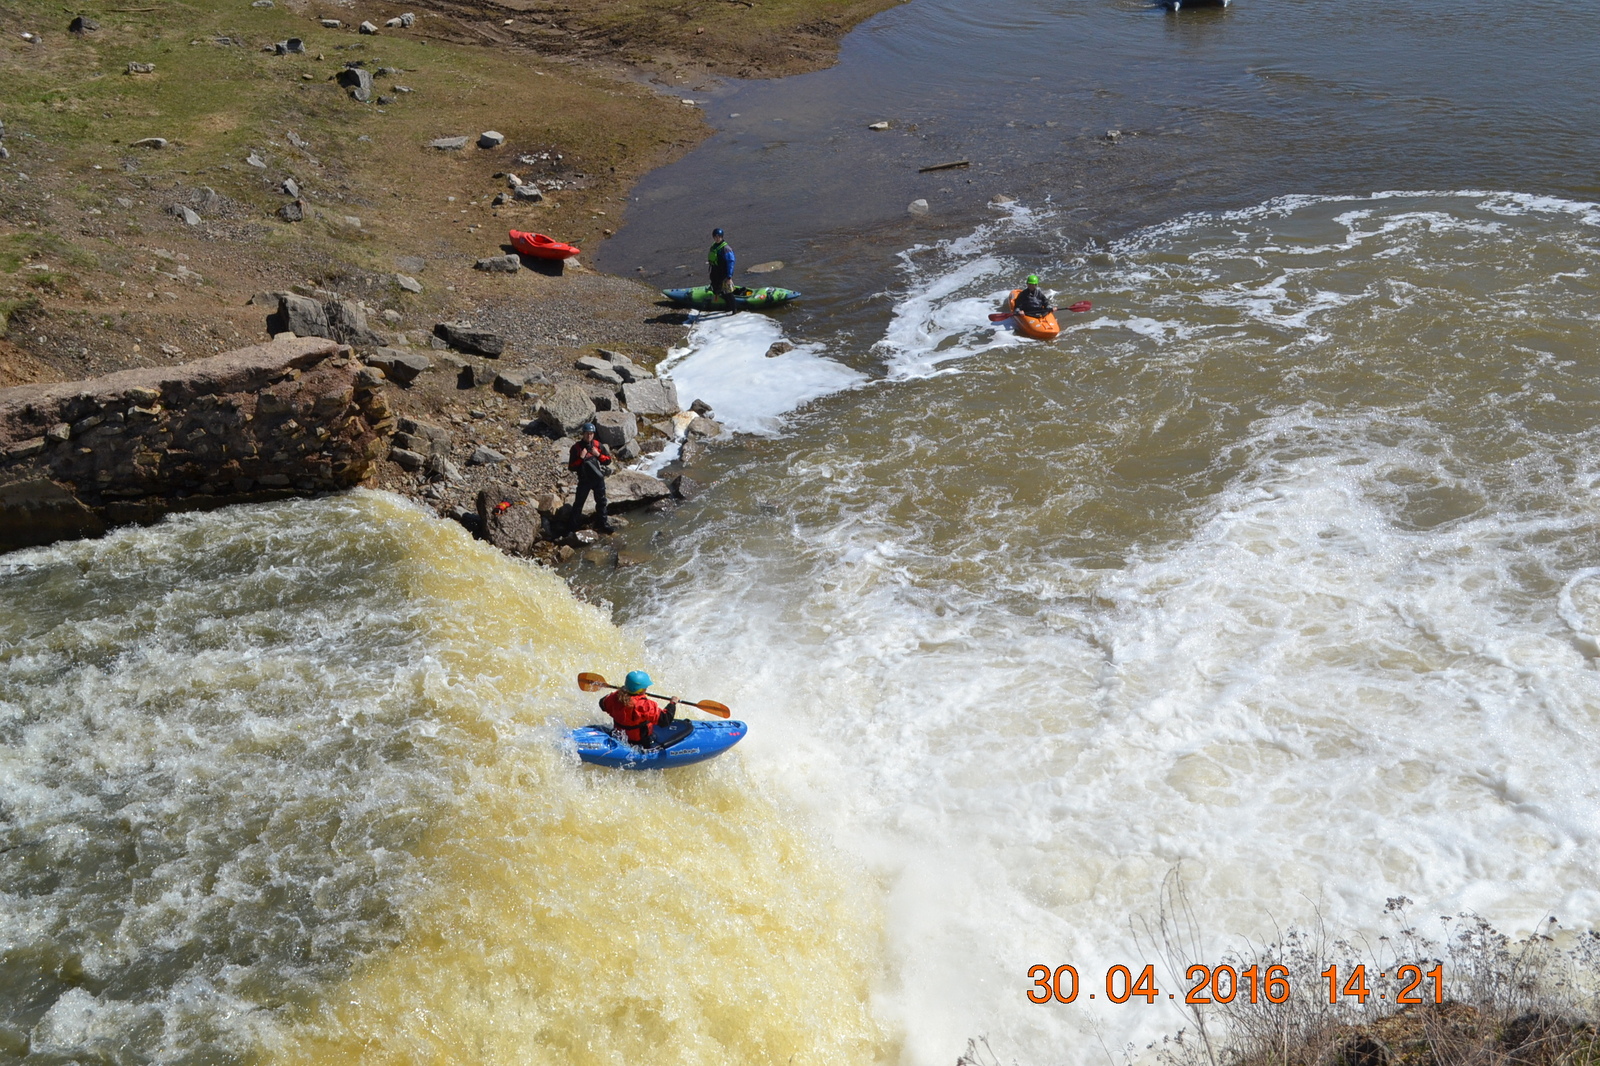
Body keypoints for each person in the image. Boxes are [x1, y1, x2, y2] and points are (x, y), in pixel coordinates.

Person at [600, 670, 679, 748]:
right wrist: (672, 703)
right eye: (645, 688)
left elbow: (602, 703)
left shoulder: (615, 697)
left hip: (619, 737)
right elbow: (665, 719)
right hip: (640, 743)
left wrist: (622, 691)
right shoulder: (644, 706)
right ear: (640, 690)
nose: (646, 689)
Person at [567, 422, 615, 534]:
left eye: (591, 434)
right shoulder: (576, 448)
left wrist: (598, 455)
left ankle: (603, 524)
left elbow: (608, 460)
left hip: (598, 479)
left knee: (602, 502)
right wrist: (581, 457)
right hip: (584, 481)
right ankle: (572, 528)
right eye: (587, 434)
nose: (589, 436)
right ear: (583, 434)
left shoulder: (598, 445)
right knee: (578, 504)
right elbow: (572, 467)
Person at [707, 227, 737, 310]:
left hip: (724, 272)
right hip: (716, 271)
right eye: (715, 237)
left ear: (722, 237)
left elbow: (731, 262)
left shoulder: (726, 249)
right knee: (718, 289)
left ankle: (734, 309)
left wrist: (729, 276)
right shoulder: (714, 246)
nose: (717, 239)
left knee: (728, 292)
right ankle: (727, 306)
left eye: (718, 237)